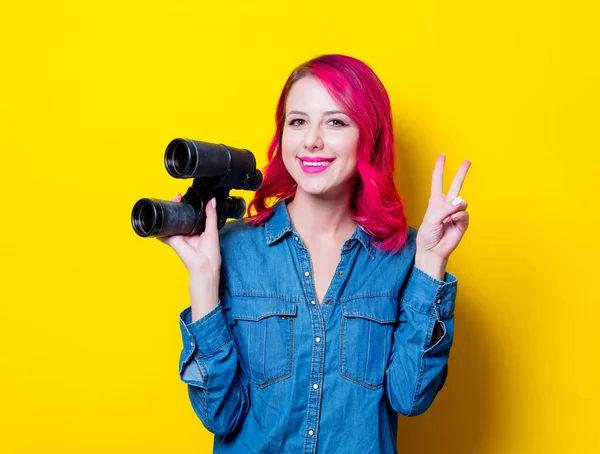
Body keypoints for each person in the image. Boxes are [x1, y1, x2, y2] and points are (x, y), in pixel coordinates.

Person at [159, 54, 471, 453]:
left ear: (368, 136)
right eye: (298, 121)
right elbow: (219, 414)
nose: (311, 140)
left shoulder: (405, 255)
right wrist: (203, 281)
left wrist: (430, 262)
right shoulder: (233, 249)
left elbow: (410, 398)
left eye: (336, 122)